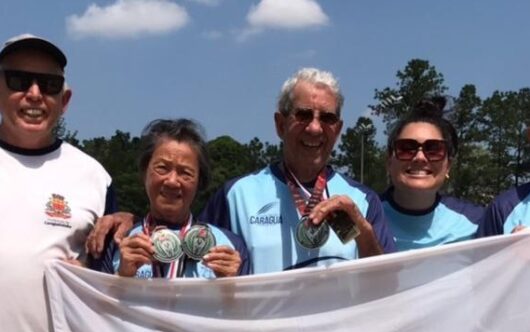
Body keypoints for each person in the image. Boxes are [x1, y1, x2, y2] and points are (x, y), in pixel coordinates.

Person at [88, 68, 395, 274]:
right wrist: (131, 219)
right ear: (279, 124)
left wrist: (362, 232)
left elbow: (388, 285)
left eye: (327, 118)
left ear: (338, 129)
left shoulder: (361, 202)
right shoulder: (237, 196)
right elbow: (182, 237)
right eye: (303, 115)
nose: (315, 127)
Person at [0, 34, 115, 332]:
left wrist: (125, 218)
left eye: (47, 84)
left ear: (64, 99)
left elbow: (106, 268)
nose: (33, 94)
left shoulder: (92, 175)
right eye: (18, 81)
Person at [99, 118, 250, 278]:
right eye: (162, 168)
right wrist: (122, 276)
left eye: (185, 173)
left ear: (199, 181)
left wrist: (231, 285)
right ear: (144, 173)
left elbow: (250, 303)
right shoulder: (118, 242)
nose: (172, 181)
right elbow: (94, 302)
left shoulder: (230, 247)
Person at [380, 97, 484, 251]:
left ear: (448, 165)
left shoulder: (478, 223)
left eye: (434, 149)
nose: (420, 158)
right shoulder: (364, 218)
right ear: (389, 161)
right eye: (407, 148)